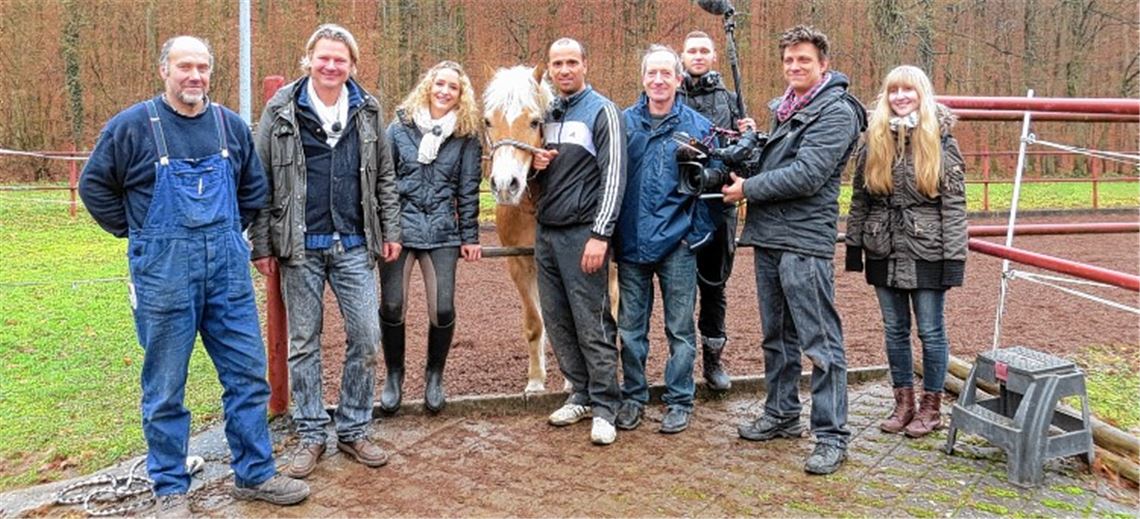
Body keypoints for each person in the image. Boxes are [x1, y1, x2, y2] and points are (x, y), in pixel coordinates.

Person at [79, 35, 310, 514]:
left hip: (226, 270)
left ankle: (255, 473)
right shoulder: (131, 128)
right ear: (164, 70)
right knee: (165, 385)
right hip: (164, 274)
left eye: (203, 67)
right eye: (185, 66)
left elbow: (254, 189)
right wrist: (139, 234)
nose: (195, 76)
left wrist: (228, 235)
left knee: (248, 374)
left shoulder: (229, 126)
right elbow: (94, 186)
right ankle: (170, 489)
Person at [249, 24, 401, 479]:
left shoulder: (369, 109)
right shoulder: (280, 110)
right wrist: (261, 243)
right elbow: (261, 181)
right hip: (300, 246)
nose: (331, 66)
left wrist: (389, 229)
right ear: (309, 59)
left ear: (352, 65)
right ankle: (312, 432)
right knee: (303, 342)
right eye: (324, 57)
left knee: (367, 336)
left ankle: (354, 428)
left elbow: (386, 178)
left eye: (340, 59)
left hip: (355, 242)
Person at [722, 25, 866, 475]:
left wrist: (747, 188)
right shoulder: (788, 109)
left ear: (823, 64)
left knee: (820, 341)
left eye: (803, 59)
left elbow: (807, 174)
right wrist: (755, 145)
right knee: (776, 337)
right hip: (769, 236)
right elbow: (784, 160)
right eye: (788, 60)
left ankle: (832, 435)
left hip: (804, 240)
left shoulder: (837, 112)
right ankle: (782, 413)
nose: (794, 66)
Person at [845, 65, 968, 438]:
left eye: (908, 90)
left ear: (921, 94)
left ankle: (932, 408)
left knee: (931, 330)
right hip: (882, 245)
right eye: (893, 90)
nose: (900, 97)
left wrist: (954, 259)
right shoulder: (873, 139)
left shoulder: (942, 140)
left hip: (928, 249)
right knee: (894, 329)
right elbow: (859, 198)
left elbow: (954, 204)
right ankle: (903, 403)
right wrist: (855, 246)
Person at [614, 45, 715, 435]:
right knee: (631, 329)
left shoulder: (696, 127)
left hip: (677, 245)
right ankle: (634, 396)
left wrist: (694, 234)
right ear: (643, 78)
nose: (658, 80)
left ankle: (679, 399)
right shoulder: (623, 124)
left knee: (680, 329)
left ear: (677, 79)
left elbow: (712, 182)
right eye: (651, 73)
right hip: (632, 244)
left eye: (665, 74)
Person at [531, 37, 626, 446]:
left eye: (571, 62)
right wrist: (535, 166)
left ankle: (607, 406)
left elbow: (615, 176)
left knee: (592, 321)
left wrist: (600, 234)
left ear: (585, 64)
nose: (564, 70)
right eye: (557, 64)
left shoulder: (602, 110)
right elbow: (534, 177)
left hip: (583, 232)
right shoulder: (546, 114)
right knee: (557, 320)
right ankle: (581, 392)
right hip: (546, 233)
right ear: (549, 69)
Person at [380, 61, 483, 414]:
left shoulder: (466, 137)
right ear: (428, 86)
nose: (444, 91)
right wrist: (388, 230)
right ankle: (394, 375)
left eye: (452, 87)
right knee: (393, 304)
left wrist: (469, 236)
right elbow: (385, 183)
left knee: (442, 308)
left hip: (442, 231)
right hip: (401, 230)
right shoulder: (398, 129)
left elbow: (468, 190)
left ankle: (434, 376)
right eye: (440, 83)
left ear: (460, 95)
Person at [677, 30, 756, 392]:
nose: (697, 55)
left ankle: (713, 360)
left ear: (713, 56)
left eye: (704, 50)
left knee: (714, 286)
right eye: (691, 50)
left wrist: (747, 141)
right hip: (677, 204)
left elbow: (747, 154)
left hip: (718, 204)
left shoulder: (731, 100)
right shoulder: (668, 95)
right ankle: (678, 364)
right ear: (682, 56)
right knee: (676, 286)